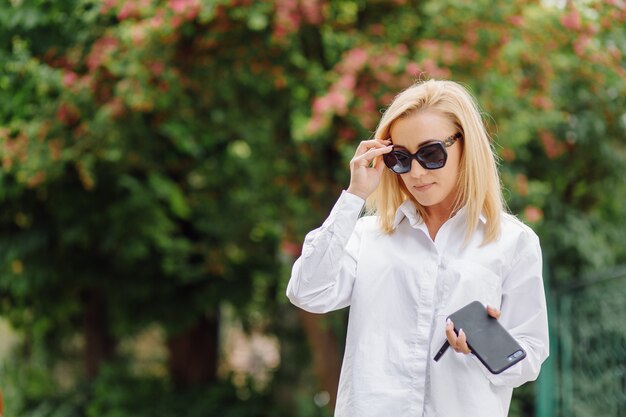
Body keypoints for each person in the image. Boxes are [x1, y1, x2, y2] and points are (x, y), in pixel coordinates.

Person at [286, 79, 549, 417]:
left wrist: (483, 345)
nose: (416, 172)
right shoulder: (368, 236)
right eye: (401, 158)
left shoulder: (514, 242)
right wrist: (354, 196)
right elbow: (307, 291)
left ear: (465, 146)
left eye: (431, 153)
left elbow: (530, 357)